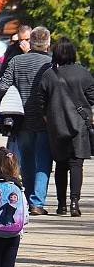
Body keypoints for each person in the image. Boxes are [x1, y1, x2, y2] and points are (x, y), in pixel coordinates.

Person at [0, 26, 53, 215]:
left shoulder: (17, 61)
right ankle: (38, 201)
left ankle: (27, 199)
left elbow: (3, 85)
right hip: (45, 118)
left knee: (26, 160)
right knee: (44, 160)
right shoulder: (51, 63)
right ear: (48, 44)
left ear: (30, 41)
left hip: (21, 117)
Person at [36, 37, 94, 216]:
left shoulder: (48, 74)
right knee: (77, 164)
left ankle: (61, 205)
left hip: (56, 125)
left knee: (60, 165)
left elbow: (41, 100)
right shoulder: (83, 73)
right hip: (79, 125)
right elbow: (92, 97)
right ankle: (74, 203)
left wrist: (48, 117)